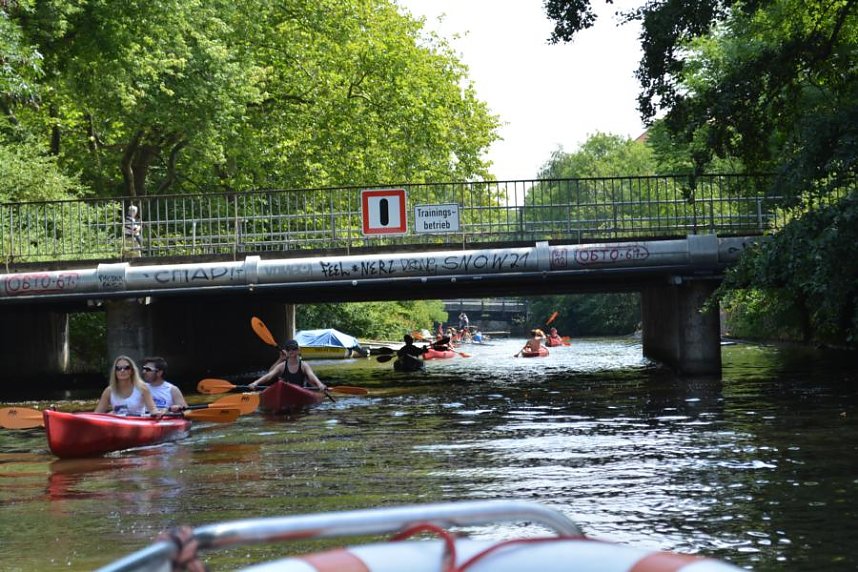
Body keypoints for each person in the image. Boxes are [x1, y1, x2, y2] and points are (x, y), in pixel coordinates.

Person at [247, 339, 328, 391]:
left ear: (298, 350)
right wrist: (255, 383)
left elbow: (311, 376)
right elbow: (269, 375)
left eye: (294, 348)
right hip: (285, 392)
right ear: (286, 351)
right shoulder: (281, 366)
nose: (291, 351)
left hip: (300, 392)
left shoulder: (304, 365)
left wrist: (320, 384)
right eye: (288, 349)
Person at [94, 355, 159, 416]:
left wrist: (159, 413)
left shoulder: (142, 388)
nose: (122, 371)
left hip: (137, 423)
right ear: (115, 372)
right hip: (117, 423)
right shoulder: (109, 391)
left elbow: (153, 410)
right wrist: (108, 415)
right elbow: (97, 415)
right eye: (118, 368)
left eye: (126, 368)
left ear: (132, 371)